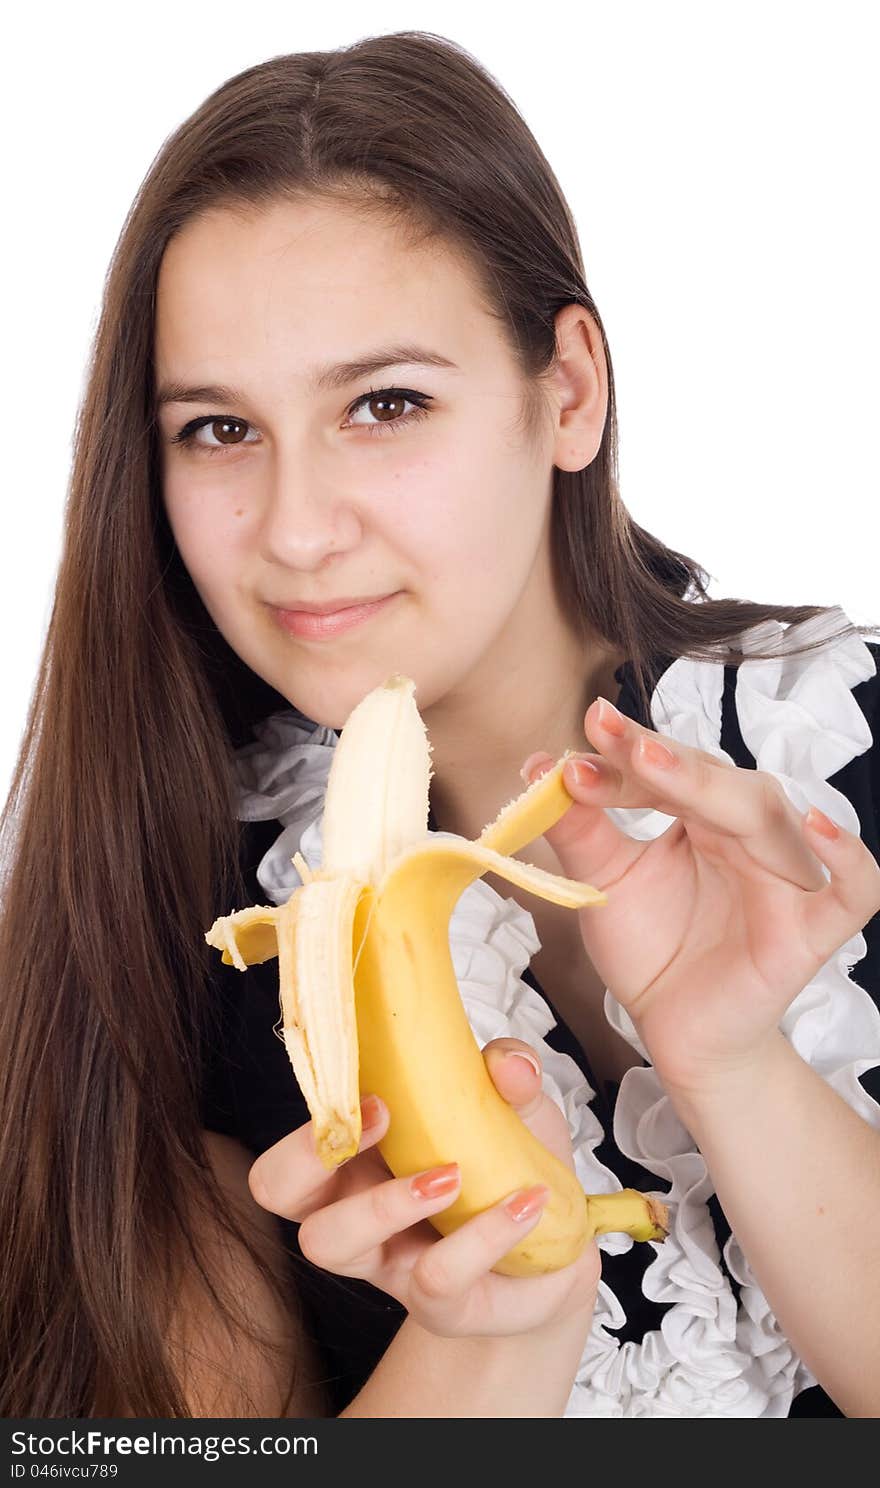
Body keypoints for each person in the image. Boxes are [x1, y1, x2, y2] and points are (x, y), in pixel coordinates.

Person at [1, 30, 878, 1421]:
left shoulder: (837, 746)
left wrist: (738, 1069)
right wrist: (490, 1335)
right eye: (219, 432)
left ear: (569, 391)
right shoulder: (162, 948)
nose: (294, 530)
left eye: (385, 403)